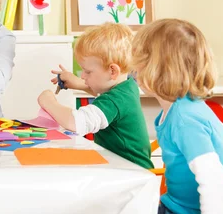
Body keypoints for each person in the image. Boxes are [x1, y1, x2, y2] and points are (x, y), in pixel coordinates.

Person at [132, 19, 223, 214]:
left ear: (157, 68)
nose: (134, 71)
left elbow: (214, 180)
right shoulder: (181, 109)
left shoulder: (185, 118)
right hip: (175, 205)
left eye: (139, 63)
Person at [38, 22, 154, 169]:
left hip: (131, 174)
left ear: (112, 71)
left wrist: (49, 102)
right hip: (124, 167)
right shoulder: (128, 85)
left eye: (87, 71)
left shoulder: (115, 101)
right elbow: (104, 91)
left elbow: (75, 123)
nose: (83, 76)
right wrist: (78, 82)